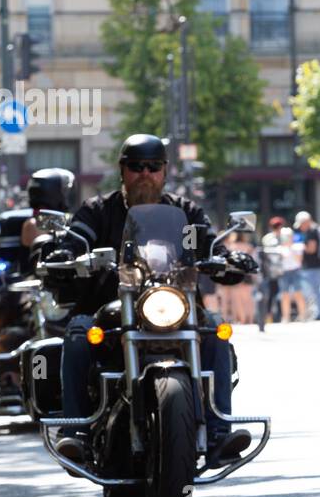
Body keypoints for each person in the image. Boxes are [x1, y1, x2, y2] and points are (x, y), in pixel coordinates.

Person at [48, 134, 257, 467]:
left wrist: (228, 258)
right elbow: (79, 238)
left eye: (153, 166)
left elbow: (205, 242)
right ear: (123, 170)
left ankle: (218, 432)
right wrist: (66, 254)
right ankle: (78, 433)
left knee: (217, 329)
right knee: (77, 332)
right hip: (111, 314)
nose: (144, 173)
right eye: (136, 166)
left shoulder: (184, 212)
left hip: (175, 309)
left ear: (164, 171)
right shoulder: (99, 212)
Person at [294, 211, 320, 320]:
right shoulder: (312, 232)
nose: (300, 227)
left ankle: (319, 313)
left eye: (301, 224)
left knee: (314, 291)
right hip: (313, 266)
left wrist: (300, 247)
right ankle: (318, 312)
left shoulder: (312, 232)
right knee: (314, 291)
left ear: (306, 222)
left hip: (313, 267)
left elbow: (312, 249)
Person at [258, 216, 285, 331]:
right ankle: (270, 317)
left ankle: (279, 316)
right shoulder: (270, 238)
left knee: (278, 295)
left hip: (279, 271)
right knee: (271, 295)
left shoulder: (282, 237)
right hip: (271, 272)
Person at [276, 226, 307, 323]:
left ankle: (303, 316)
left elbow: (299, 260)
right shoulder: (279, 249)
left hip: (295, 271)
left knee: (298, 293)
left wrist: (290, 248)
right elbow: (278, 263)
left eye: (289, 236)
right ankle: (285, 317)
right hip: (284, 272)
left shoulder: (297, 246)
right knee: (285, 295)